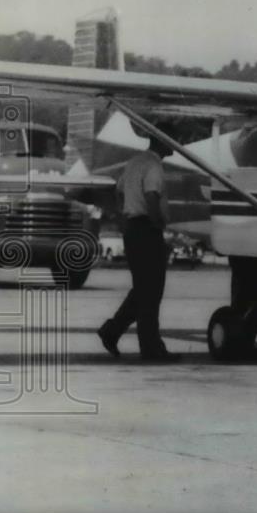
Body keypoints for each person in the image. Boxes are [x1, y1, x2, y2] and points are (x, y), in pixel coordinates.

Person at [97, 124, 180, 362]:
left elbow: (119, 190)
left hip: (133, 228)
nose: (174, 144)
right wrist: (157, 222)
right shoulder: (153, 166)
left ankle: (112, 331)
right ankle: (151, 348)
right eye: (170, 139)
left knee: (143, 290)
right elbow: (152, 195)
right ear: (161, 142)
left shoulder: (134, 162)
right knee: (151, 292)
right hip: (146, 228)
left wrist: (123, 215)